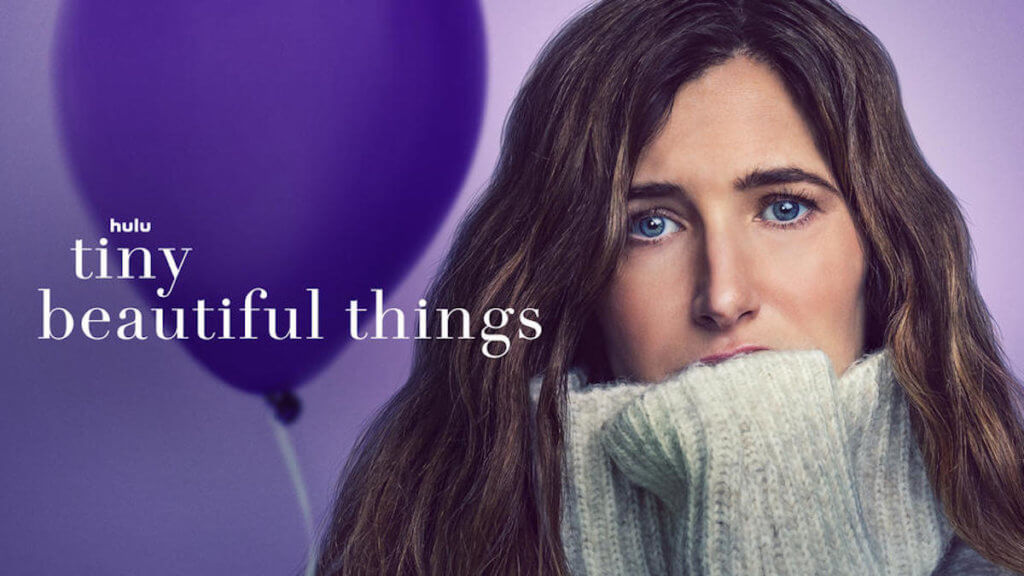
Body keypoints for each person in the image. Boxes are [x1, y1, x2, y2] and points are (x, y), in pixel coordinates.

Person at [315, 0, 1024, 574]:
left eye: (784, 208)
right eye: (650, 224)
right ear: (577, 275)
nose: (722, 296)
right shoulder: (429, 550)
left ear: (882, 246)